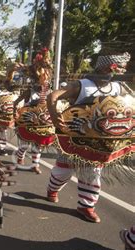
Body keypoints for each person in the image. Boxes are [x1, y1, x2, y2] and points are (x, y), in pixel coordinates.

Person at [45, 52, 131, 223]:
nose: (123, 71)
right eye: (121, 67)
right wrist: (55, 118)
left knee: (92, 172)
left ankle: (86, 206)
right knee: (63, 171)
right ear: (111, 67)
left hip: (99, 141)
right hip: (75, 137)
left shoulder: (118, 88)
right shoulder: (81, 85)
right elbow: (52, 96)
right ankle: (52, 190)